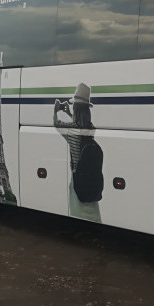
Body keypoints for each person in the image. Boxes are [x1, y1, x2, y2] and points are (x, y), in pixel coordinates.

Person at [54, 83, 103, 222]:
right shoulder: (90, 128)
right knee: (93, 215)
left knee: (79, 216)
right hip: (91, 181)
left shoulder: (71, 131)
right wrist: (70, 114)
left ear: (75, 107)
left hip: (78, 183)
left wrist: (56, 111)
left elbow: (57, 124)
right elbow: (80, 123)